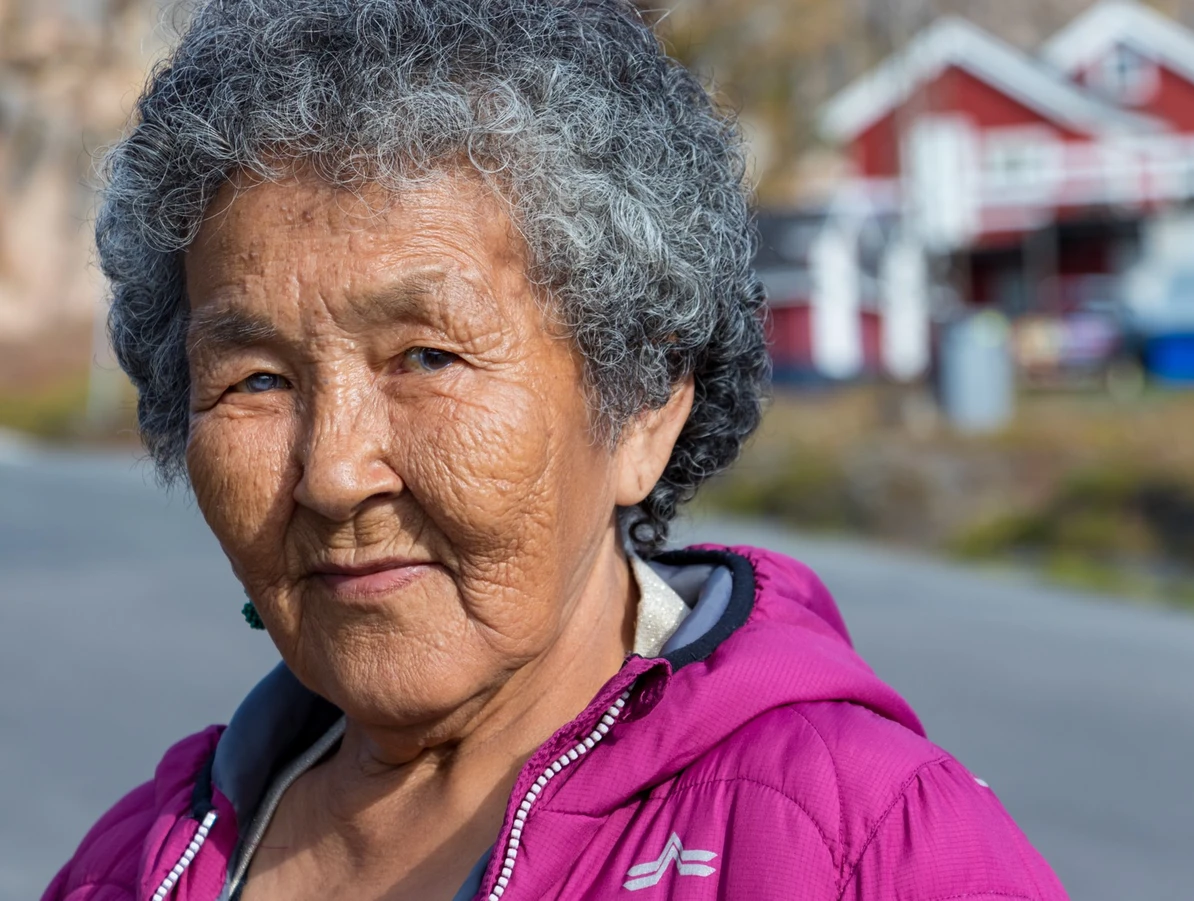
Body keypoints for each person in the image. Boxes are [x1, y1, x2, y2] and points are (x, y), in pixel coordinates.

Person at [45, 1, 1070, 899]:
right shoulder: (132, 869)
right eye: (257, 379)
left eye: (427, 356)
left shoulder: (861, 846)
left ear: (642, 409)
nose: (334, 474)